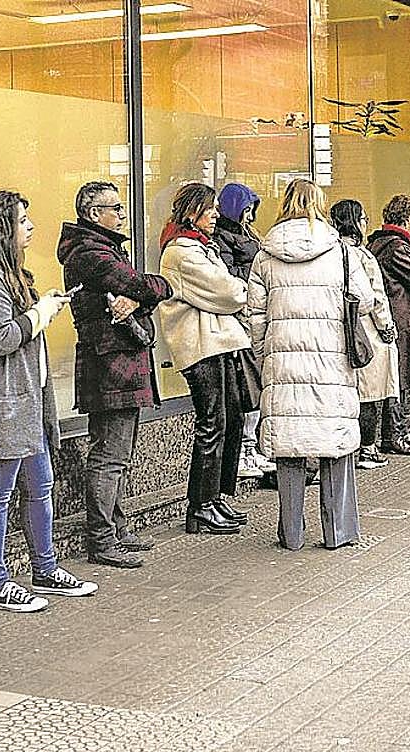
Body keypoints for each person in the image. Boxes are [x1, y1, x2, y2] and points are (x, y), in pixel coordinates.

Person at [0, 191, 98, 612]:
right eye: (22, 220)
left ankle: (45, 568)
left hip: (25, 401)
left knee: (40, 487)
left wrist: (40, 307)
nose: (30, 226)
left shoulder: (11, 272)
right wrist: (43, 313)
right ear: (1, 228)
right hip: (0, 403)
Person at [248, 179, 374, 550]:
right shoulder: (342, 252)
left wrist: (266, 351)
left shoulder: (265, 254)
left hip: (283, 364)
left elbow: (255, 315)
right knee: (335, 445)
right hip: (332, 362)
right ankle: (339, 532)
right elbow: (363, 301)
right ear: (320, 204)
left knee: (290, 447)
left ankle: (292, 536)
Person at [58, 181, 172, 569]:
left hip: (115, 363)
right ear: (94, 214)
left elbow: (147, 286)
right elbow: (150, 283)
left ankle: (116, 528)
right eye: (117, 208)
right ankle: (102, 538)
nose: (123, 215)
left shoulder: (100, 249)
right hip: (112, 365)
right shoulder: (91, 253)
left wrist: (139, 296)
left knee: (116, 454)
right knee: (110, 455)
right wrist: (142, 292)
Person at [158, 183, 250, 535]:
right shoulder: (181, 251)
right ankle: (200, 507)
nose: (215, 215)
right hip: (200, 347)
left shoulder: (199, 246)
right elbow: (226, 292)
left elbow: (223, 290)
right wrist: (239, 292)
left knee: (230, 419)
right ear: (192, 212)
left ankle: (215, 498)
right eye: (209, 209)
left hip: (218, 344)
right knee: (212, 424)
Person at [330, 199, 399, 468]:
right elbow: (376, 297)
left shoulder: (331, 252)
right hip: (367, 331)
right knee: (370, 393)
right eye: (363, 218)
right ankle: (366, 448)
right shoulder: (361, 255)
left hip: (340, 330)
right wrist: (386, 327)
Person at [212, 182, 273, 480]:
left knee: (256, 385)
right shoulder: (223, 237)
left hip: (255, 312)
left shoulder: (247, 235)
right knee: (248, 387)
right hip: (242, 316)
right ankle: (246, 448)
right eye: (246, 210)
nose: (250, 216)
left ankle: (253, 445)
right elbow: (226, 278)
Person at [367, 194, 410, 455]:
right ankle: (394, 433)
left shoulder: (379, 244)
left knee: (395, 378)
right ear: (407, 219)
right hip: (401, 321)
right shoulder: (397, 247)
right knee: (396, 380)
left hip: (395, 318)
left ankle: (398, 431)